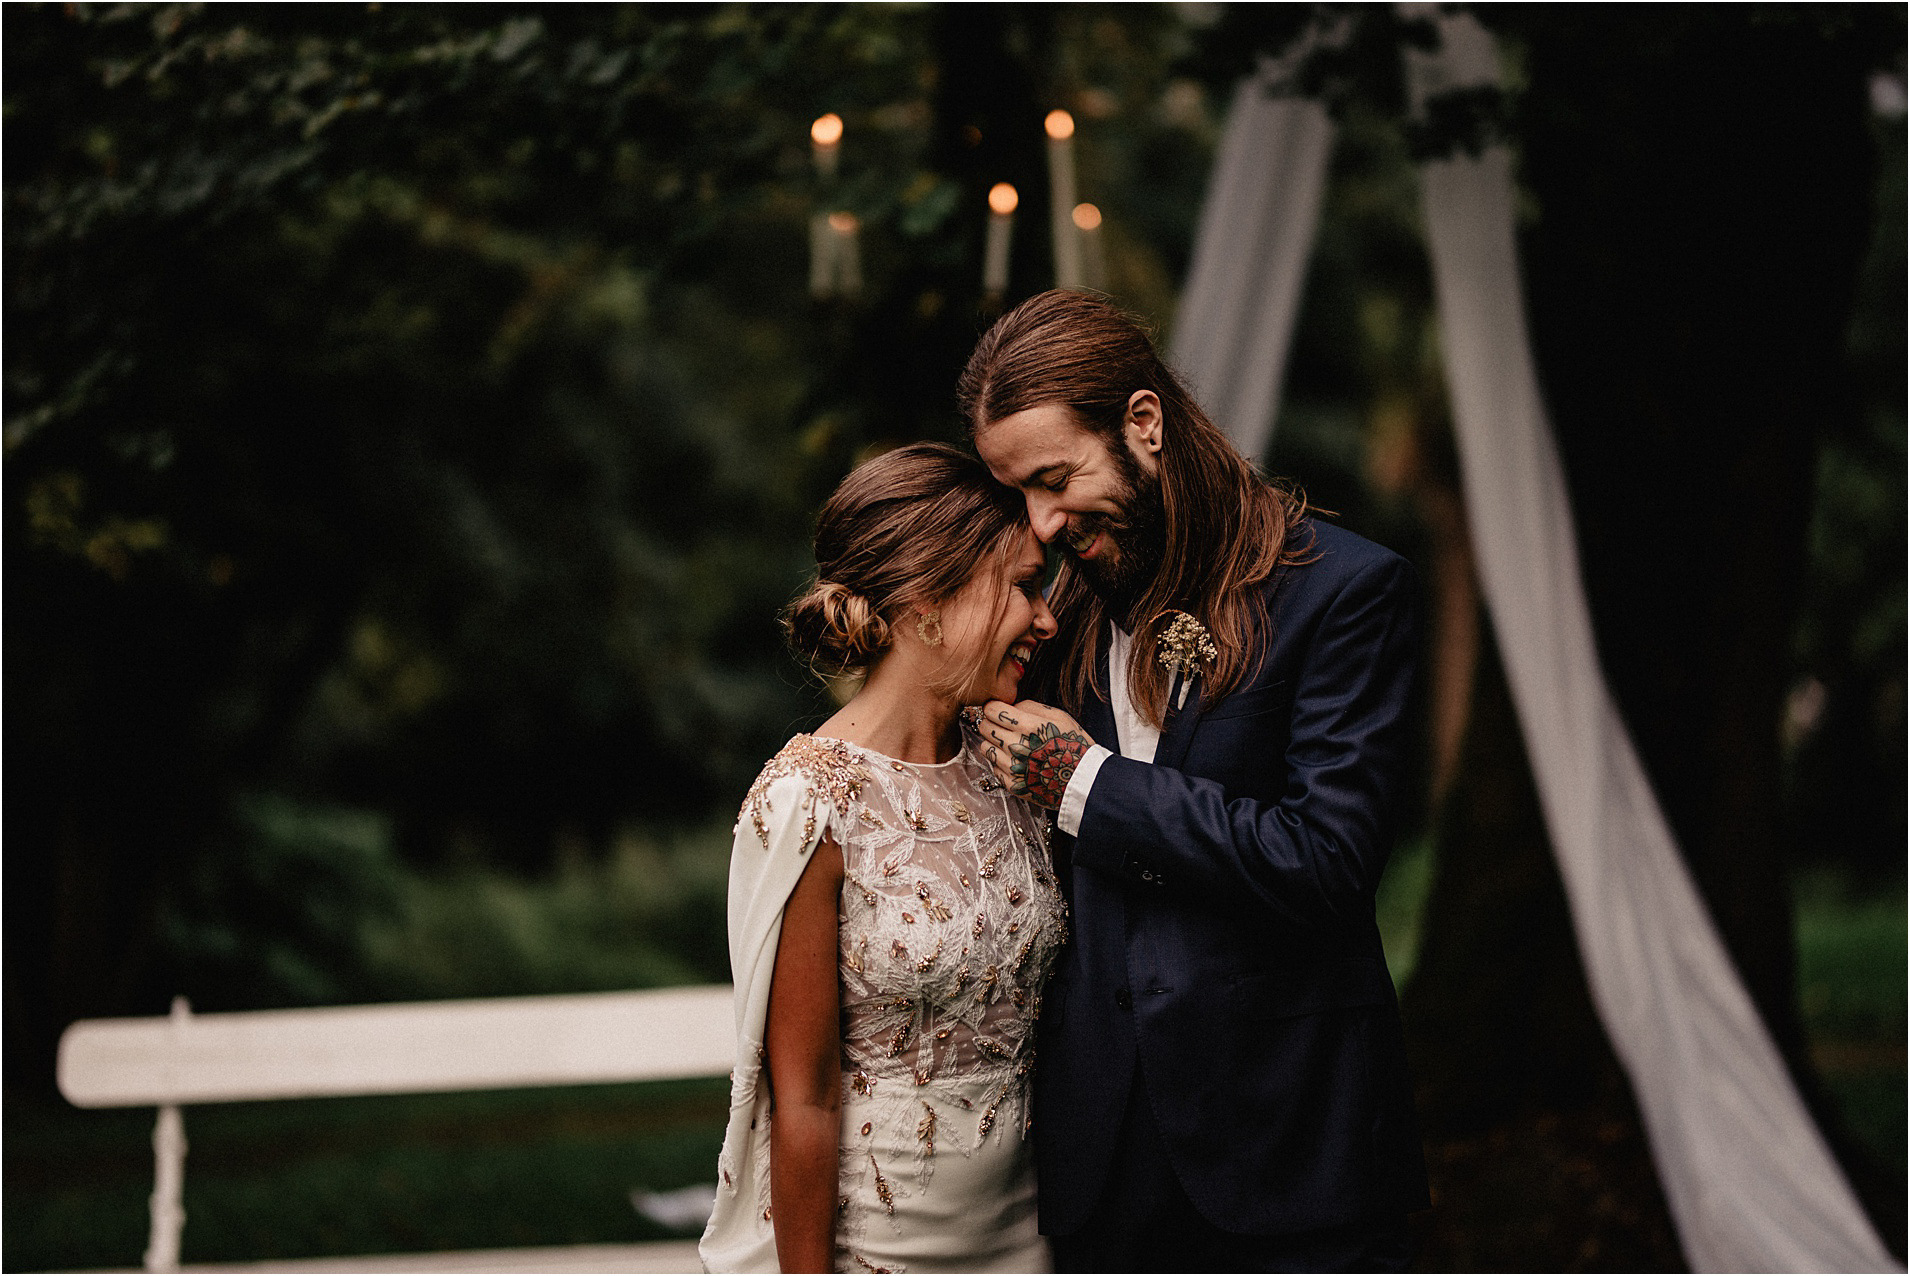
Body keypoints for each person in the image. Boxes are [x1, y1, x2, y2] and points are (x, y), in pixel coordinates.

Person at [961, 290, 1430, 1272]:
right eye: (1020, 496)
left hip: (1290, 1150)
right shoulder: (1056, 619)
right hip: (1101, 1171)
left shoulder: (1340, 594)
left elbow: (1324, 858)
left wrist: (1078, 778)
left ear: (1143, 422)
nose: (1040, 525)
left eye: (1054, 478)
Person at [699, 442, 1069, 1274]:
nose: (1045, 619)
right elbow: (804, 1098)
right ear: (931, 604)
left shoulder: (1016, 762)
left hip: (1034, 1238)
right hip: (886, 1248)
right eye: (1022, 586)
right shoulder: (808, 804)